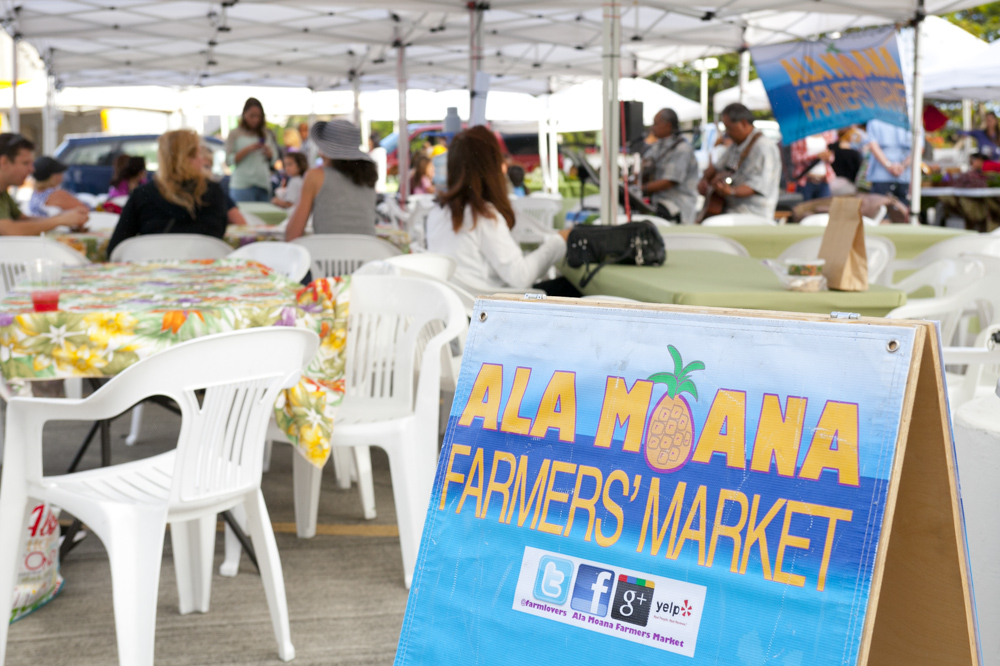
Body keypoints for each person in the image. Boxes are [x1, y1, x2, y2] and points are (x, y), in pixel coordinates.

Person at [426, 126, 574, 296]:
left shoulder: (437, 212)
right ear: (491, 167)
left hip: (457, 308)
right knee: (570, 288)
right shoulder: (481, 215)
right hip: (489, 313)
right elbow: (520, 277)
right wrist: (559, 240)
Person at [108, 129, 229, 256]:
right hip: (203, 270)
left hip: (151, 270)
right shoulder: (211, 192)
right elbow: (217, 238)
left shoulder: (142, 194)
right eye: (199, 154)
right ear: (189, 158)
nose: (202, 159)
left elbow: (116, 249)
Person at [285, 120, 377, 241]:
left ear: (325, 150)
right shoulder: (367, 177)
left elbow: (292, 234)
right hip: (369, 253)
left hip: (326, 255)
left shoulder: (315, 176)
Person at [698, 103, 781, 220]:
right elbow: (717, 167)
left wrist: (731, 191)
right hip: (731, 211)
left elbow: (756, 186)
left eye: (729, 128)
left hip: (752, 215)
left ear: (743, 123)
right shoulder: (736, 145)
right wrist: (704, 180)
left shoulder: (764, 147)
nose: (727, 133)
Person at [0, 134, 87, 235]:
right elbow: (10, 230)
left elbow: (22, 220)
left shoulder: (3, 192)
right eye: (25, 163)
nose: (32, 169)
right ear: (4, 162)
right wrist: (59, 220)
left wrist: (63, 219)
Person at [640, 108, 699, 224]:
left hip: (677, 206)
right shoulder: (659, 145)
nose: (652, 127)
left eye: (655, 124)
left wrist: (641, 189)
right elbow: (646, 161)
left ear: (667, 125)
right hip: (659, 202)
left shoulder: (682, 148)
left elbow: (670, 181)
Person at [225, 97, 279, 202]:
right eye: (252, 116)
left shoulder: (267, 133)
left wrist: (269, 154)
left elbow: (274, 159)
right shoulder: (235, 134)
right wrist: (247, 150)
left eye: (258, 116)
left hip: (263, 184)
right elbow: (228, 161)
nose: (255, 119)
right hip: (242, 185)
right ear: (244, 114)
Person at [865, 118, 918, 208]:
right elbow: (918, 147)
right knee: (903, 214)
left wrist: (889, 166)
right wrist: (902, 166)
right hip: (904, 176)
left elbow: (873, 146)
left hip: (882, 175)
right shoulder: (912, 118)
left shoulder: (875, 119)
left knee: (881, 214)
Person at [789, 130, 837, 201]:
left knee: (823, 208)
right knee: (805, 209)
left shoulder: (826, 134)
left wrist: (827, 156)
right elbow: (795, 158)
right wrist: (816, 156)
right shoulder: (799, 136)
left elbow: (831, 158)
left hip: (823, 180)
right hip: (806, 181)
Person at [828, 127, 863, 196]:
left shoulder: (831, 148)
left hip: (831, 184)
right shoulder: (854, 153)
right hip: (848, 185)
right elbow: (857, 172)